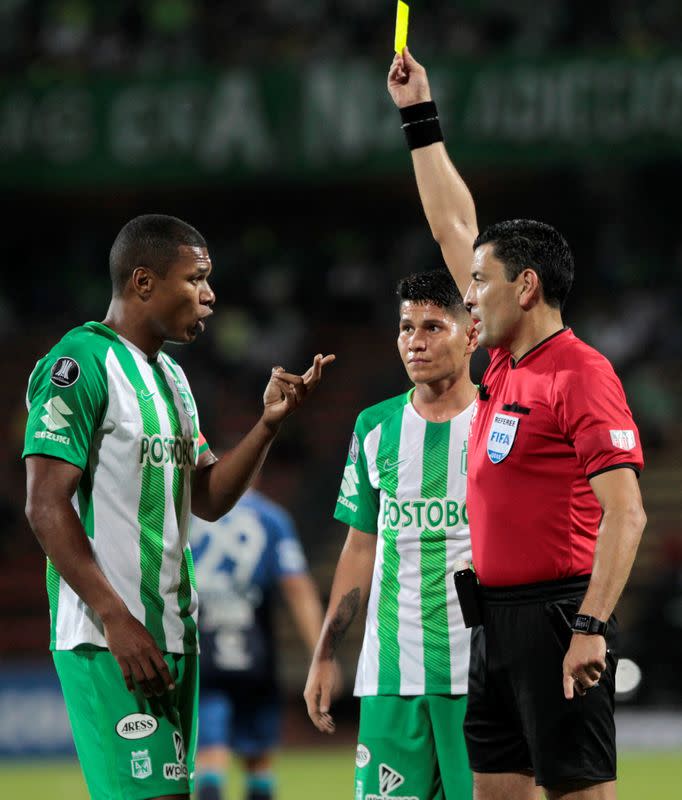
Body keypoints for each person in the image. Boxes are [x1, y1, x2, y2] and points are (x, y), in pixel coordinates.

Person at [387, 49, 647, 800]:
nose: (467, 297)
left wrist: (591, 627)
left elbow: (626, 514)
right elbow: (453, 221)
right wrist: (418, 114)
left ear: (525, 286)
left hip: (559, 615)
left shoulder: (582, 372)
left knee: (578, 793)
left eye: (480, 283)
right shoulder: (501, 365)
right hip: (492, 621)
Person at [22, 214, 334, 800]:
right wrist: (115, 618)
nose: (211, 295)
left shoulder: (172, 378)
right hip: (108, 638)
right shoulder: (81, 363)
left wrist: (268, 426)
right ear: (144, 283)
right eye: (197, 279)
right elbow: (45, 505)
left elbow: (210, 498)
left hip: (172, 636)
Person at [305, 270, 478, 800]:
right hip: (389, 676)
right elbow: (360, 547)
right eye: (406, 328)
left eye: (432, 326)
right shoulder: (374, 427)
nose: (416, 341)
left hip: (479, 675)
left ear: (471, 334)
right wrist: (326, 649)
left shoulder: (499, 422)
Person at [191, 484, 325, 800]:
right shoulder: (271, 518)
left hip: (203, 655)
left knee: (210, 754)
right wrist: (321, 653)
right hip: (256, 655)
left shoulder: (187, 514)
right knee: (259, 760)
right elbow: (297, 588)